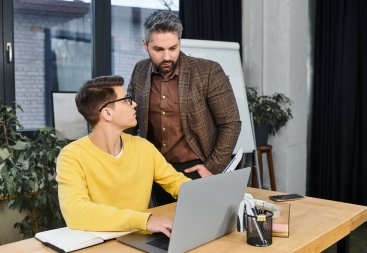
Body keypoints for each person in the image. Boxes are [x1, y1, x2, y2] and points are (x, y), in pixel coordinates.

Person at [128, 10, 241, 205]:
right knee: (165, 230)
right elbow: (131, 121)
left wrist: (211, 168)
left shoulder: (208, 72)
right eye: (158, 49)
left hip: (197, 169)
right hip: (158, 171)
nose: (167, 56)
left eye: (173, 48)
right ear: (145, 45)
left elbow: (231, 123)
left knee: (202, 231)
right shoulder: (140, 70)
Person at [56, 75, 190, 237]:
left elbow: (178, 184)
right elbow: (76, 212)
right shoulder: (72, 156)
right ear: (107, 113)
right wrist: (144, 220)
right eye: (126, 100)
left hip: (139, 238)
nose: (134, 104)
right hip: (101, 244)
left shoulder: (143, 147)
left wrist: (210, 195)